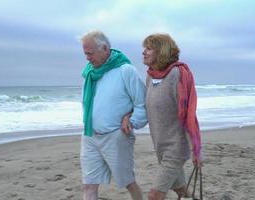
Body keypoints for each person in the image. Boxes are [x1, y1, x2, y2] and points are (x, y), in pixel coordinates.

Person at [80, 30, 147, 200]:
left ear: (104, 48)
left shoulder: (126, 71)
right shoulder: (90, 72)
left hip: (116, 136)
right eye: (85, 53)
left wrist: (131, 120)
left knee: (128, 182)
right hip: (90, 134)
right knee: (89, 184)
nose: (87, 58)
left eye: (90, 53)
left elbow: (142, 103)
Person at [142, 33, 203, 200]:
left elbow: (188, 114)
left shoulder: (177, 74)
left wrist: (196, 149)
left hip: (176, 148)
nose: (143, 52)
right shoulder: (151, 76)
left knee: (155, 195)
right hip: (160, 146)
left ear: (161, 51)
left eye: (148, 48)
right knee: (181, 189)